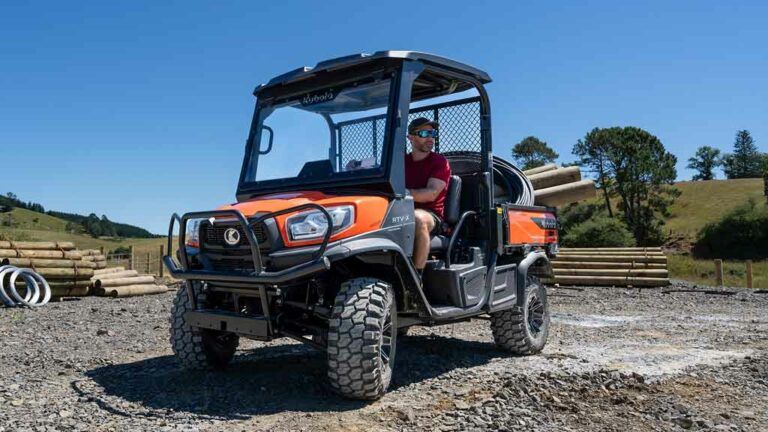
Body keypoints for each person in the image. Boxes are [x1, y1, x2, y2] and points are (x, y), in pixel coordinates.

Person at [405, 117, 451, 275]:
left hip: (431, 214)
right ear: (411, 137)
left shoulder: (439, 162)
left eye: (433, 133)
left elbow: (431, 194)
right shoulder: (401, 162)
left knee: (418, 219)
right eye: (425, 133)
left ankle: (416, 278)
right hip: (400, 209)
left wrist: (402, 193)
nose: (430, 138)